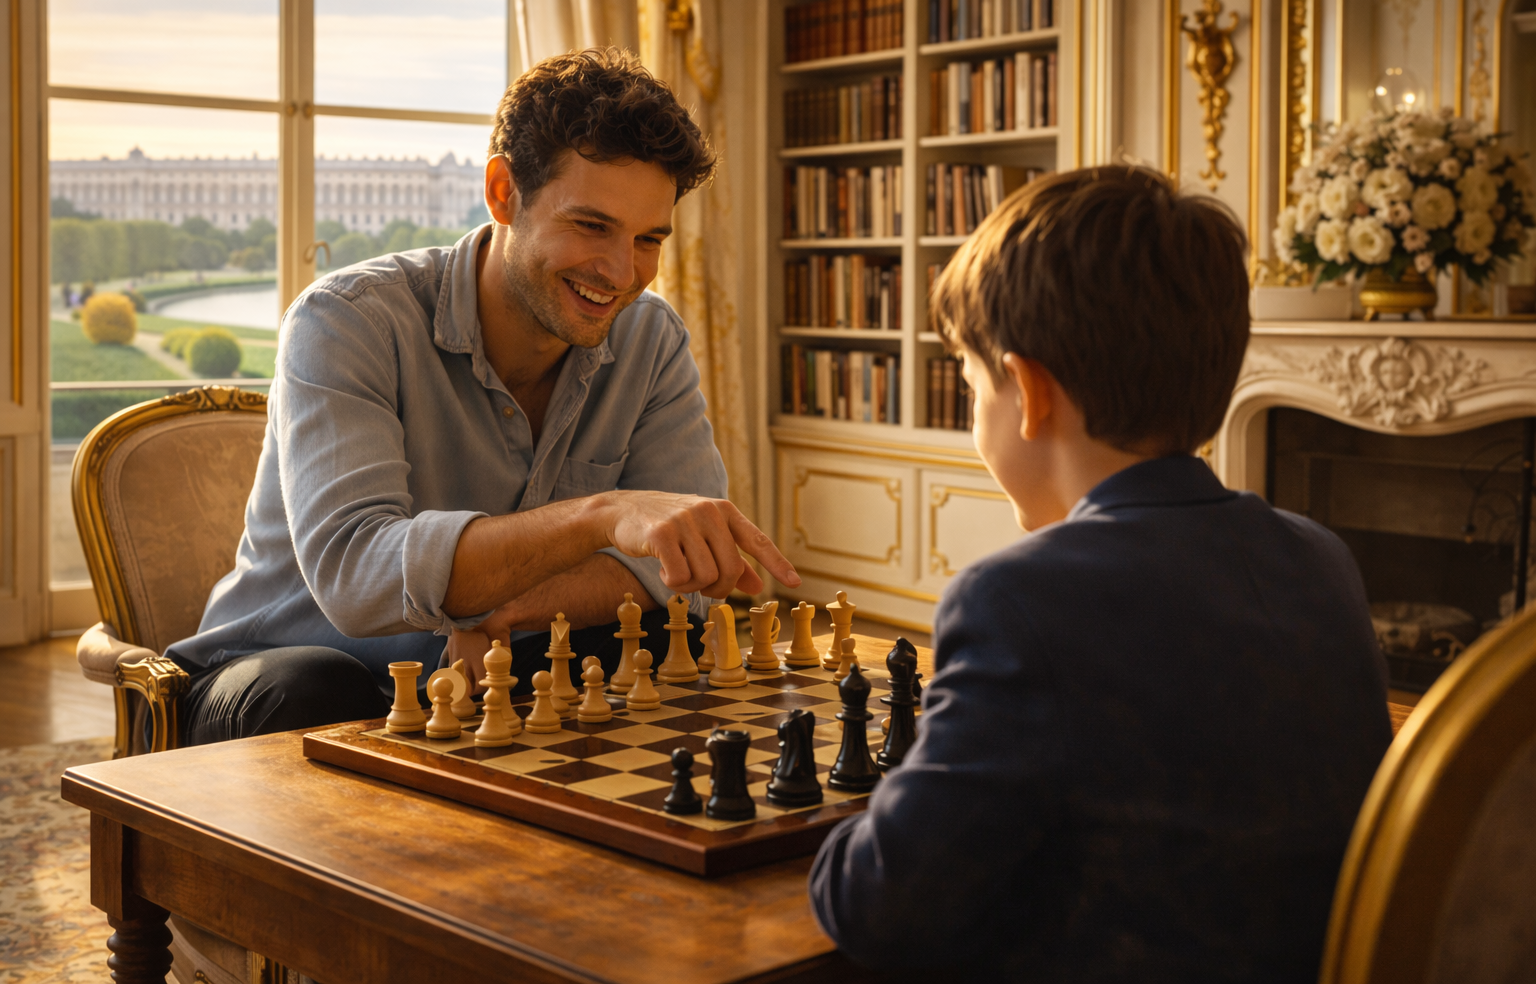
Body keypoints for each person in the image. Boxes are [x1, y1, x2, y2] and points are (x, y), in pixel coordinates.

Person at [808, 166, 1392, 981]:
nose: (975, 416)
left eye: (973, 386)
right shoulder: (1320, 556)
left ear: (1029, 391)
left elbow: (877, 906)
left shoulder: (1020, 599)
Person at [166, 48, 798, 745]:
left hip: (491, 663)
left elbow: (675, 567)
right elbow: (358, 577)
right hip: (268, 678)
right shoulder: (345, 320)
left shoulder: (651, 340)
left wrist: (498, 610)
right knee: (316, 687)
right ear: (503, 193)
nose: (623, 274)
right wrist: (602, 517)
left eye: (649, 239)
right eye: (591, 226)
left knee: (654, 645)